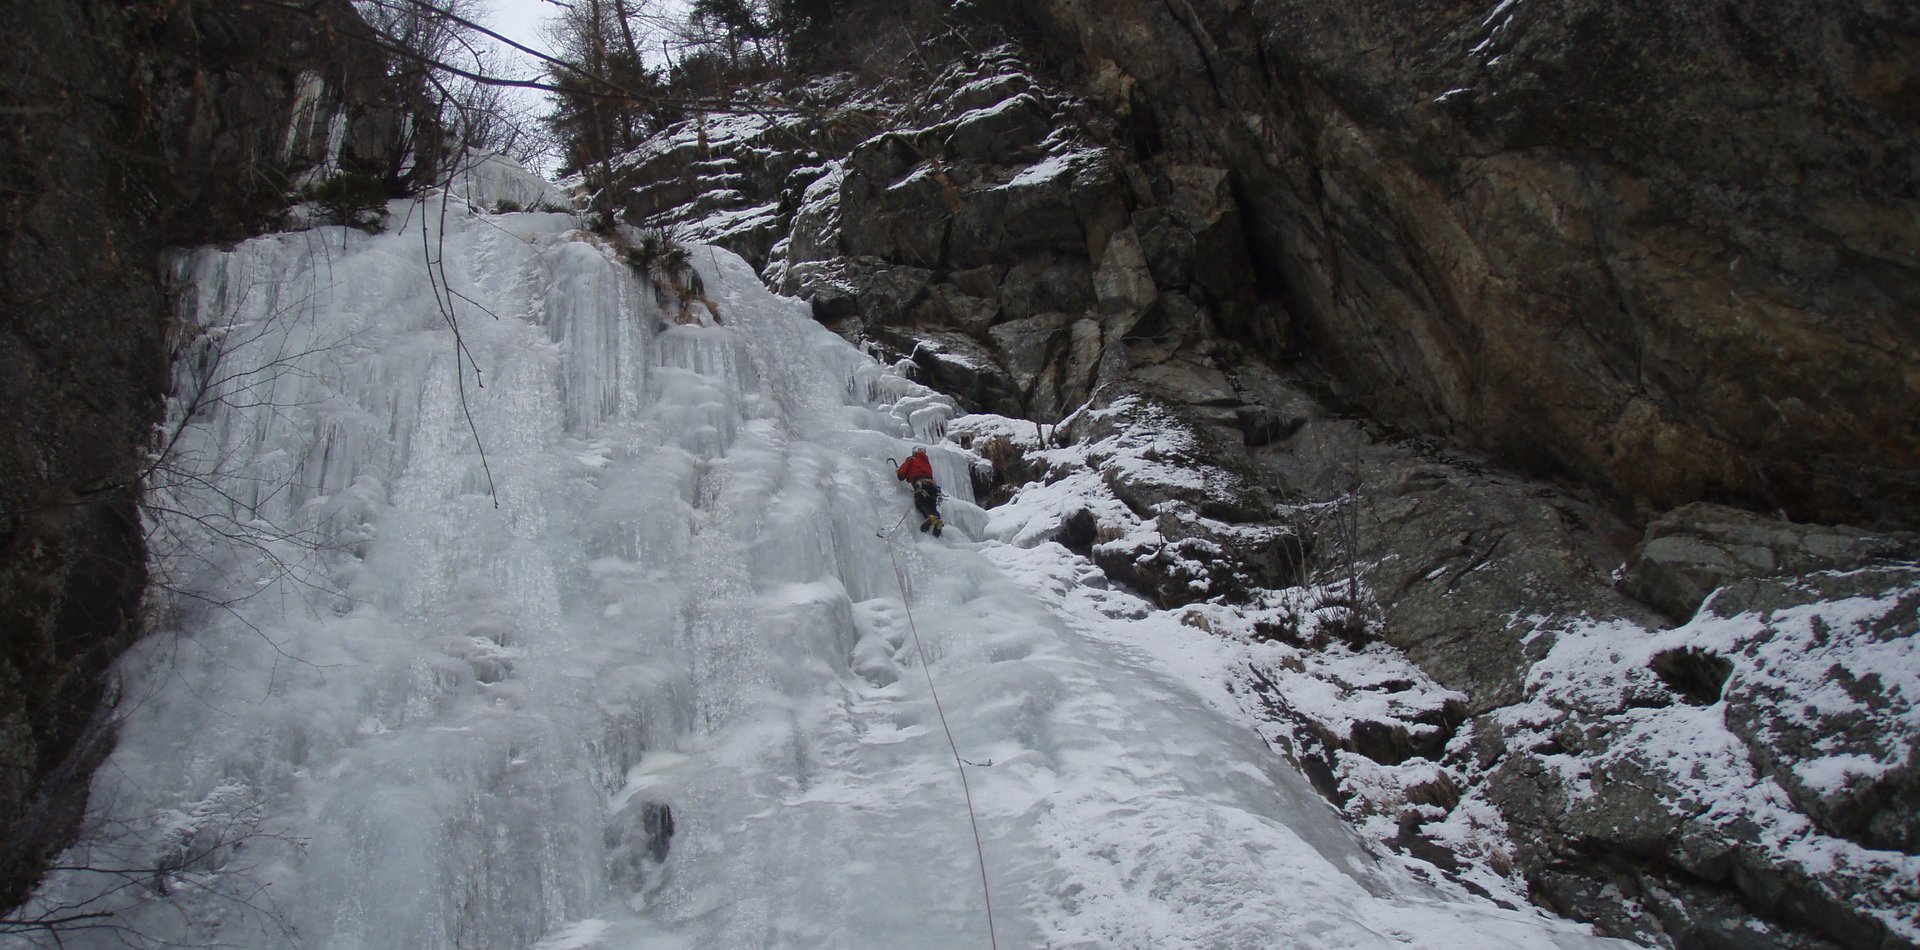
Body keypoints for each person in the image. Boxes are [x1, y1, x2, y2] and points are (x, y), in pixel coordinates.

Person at [895, 447, 944, 537]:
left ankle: (930, 517)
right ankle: (938, 520)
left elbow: (901, 475)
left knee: (921, 503)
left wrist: (899, 472)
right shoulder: (926, 462)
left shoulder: (911, 459)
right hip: (933, 487)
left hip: (921, 484)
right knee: (932, 505)